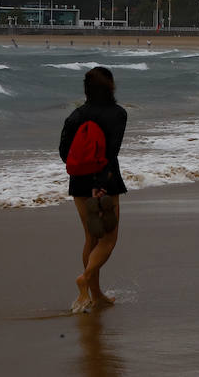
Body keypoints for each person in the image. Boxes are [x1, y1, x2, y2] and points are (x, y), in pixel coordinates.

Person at [58, 66, 127, 313]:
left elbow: (64, 153)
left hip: (79, 181)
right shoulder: (118, 114)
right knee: (108, 239)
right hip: (106, 181)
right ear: (110, 87)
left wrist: (85, 174)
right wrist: (101, 183)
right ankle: (85, 279)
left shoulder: (75, 116)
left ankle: (95, 295)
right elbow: (111, 152)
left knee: (91, 237)